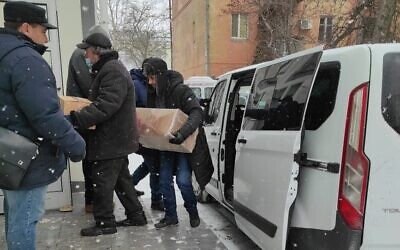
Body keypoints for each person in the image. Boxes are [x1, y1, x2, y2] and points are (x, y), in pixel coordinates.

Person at [0, 1, 86, 249]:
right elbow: (45, 115)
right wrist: (76, 144)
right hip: (26, 158)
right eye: (43, 29)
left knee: (16, 217)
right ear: (26, 27)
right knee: (25, 220)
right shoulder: (25, 59)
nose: (46, 37)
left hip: (7, 154)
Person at [70, 32, 147, 236]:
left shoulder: (111, 70)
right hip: (116, 138)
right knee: (122, 180)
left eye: (87, 51)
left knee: (102, 181)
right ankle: (136, 215)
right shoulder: (109, 68)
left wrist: (77, 117)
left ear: (97, 51)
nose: (86, 56)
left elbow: (106, 105)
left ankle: (105, 223)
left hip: (111, 139)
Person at [142, 57, 214, 229]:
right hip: (166, 144)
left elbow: (197, 113)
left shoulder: (181, 90)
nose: (150, 82)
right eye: (148, 78)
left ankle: (193, 212)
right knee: (164, 181)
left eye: (152, 78)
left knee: (183, 181)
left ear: (161, 76)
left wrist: (182, 133)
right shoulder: (153, 94)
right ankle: (171, 216)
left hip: (183, 143)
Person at [66, 25, 114, 213]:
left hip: (89, 113)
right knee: (92, 160)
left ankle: (95, 201)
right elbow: (90, 85)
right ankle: (92, 201)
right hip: (87, 114)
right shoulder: (81, 55)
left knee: (94, 160)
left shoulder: (82, 54)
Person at [130, 67, 164, 211]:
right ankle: (156, 200)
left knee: (149, 164)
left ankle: (129, 184)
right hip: (144, 131)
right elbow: (146, 105)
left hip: (145, 131)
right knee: (154, 166)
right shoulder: (138, 85)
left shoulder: (139, 83)